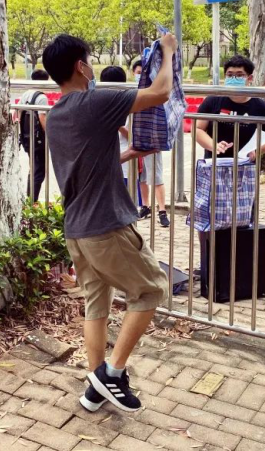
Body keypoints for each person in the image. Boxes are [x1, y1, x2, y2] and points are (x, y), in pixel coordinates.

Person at [43, 32, 176, 413]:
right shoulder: (93, 102)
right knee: (151, 290)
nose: (92, 68)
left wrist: (129, 153)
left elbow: (86, 161)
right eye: (89, 62)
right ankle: (112, 374)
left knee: (96, 304)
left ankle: (94, 390)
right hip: (106, 226)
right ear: (81, 67)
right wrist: (168, 52)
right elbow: (160, 92)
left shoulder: (56, 115)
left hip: (77, 229)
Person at [194, 55, 265, 160]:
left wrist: (256, 151)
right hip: (214, 163)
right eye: (230, 75)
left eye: (239, 75)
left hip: (244, 164)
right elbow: (197, 129)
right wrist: (213, 145)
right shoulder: (212, 100)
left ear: (250, 78)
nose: (234, 79)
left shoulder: (261, 107)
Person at [132, 60, 170, 227]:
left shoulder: (155, 93)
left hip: (152, 142)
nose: (141, 76)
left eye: (144, 73)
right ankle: (145, 206)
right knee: (142, 176)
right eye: (138, 73)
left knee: (156, 177)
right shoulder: (133, 92)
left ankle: (162, 211)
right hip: (136, 143)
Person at [18, 69, 50, 201]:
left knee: (33, 169)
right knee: (39, 171)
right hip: (38, 140)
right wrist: (49, 134)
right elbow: (42, 118)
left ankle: (30, 200)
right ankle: (32, 201)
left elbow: (18, 114)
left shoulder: (26, 94)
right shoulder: (41, 98)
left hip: (27, 138)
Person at [100, 65, 131, 187]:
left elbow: (133, 137)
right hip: (104, 163)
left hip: (124, 165)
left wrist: (116, 124)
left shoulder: (129, 104)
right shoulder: (99, 103)